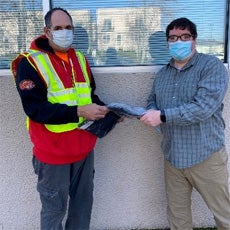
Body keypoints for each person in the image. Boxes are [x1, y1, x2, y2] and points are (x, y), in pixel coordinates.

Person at [11, 7, 116, 230]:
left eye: (68, 28)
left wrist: (107, 112)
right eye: (58, 28)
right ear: (46, 31)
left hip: (84, 149)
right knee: (53, 211)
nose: (64, 32)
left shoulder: (79, 58)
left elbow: (89, 96)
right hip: (52, 153)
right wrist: (79, 111)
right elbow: (35, 109)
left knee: (82, 208)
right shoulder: (29, 63)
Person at [140, 17, 230, 230]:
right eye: (173, 38)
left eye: (184, 36)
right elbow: (153, 100)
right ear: (168, 42)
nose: (178, 41)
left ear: (194, 40)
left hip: (205, 156)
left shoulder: (212, 66)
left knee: (225, 214)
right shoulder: (163, 74)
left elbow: (203, 108)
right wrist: (148, 111)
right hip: (173, 157)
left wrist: (161, 116)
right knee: (178, 218)